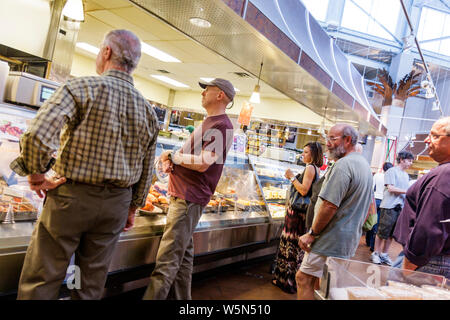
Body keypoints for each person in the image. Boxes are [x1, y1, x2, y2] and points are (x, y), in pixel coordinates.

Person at [9, 30, 159, 299]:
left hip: (71, 199)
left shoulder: (81, 87)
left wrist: (35, 173)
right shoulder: (147, 110)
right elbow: (148, 168)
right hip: (116, 205)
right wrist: (133, 207)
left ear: (106, 53)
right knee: (89, 281)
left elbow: (36, 135)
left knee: (44, 276)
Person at [143, 78, 235, 300]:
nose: (202, 93)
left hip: (188, 200)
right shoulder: (209, 122)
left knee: (166, 261)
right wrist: (171, 160)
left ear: (220, 95)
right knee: (183, 259)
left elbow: (204, 162)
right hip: (182, 196)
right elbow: (189, 156)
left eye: (207, 90)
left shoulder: (222, 125)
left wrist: (173, 156)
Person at [296, 124, 373, 300]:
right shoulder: (363, 164)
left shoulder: (343, 165)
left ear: (347, 140)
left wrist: (312, 233)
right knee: (328, 286)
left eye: (333, 138)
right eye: (327, 138)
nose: (328, 143)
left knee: (307, 280)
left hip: (329, 238)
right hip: (345, 239)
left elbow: (329, 205)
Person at [393, 117, 450, 279]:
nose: (426, 140)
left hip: (428, 262)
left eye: (435, 136)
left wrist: (408, 265)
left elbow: (429, 228)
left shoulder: (444, 175)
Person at [272, 142, 323, 294]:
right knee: (293, 247)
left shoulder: (309, 168)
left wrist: (291, 177)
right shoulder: (315, 168)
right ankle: (289, 280)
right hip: (300, 215)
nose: (303, 155)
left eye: (306, 152)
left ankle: (287, 282)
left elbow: (303, 190)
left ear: (313, 155)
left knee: (290, 247)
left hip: (297, 215)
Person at [372, 151, 414, 266]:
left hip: (400, 208)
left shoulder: (405, 175)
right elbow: (391, 188)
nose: (411, 163)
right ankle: (376, 253)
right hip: (389, 206)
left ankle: (384, 255)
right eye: (409, 160)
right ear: (402, 160)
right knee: (382, 232)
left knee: (391, 234)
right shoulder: (392, 171)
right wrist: (408, 191)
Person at [365, 162, 393, 251]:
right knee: (378, 224)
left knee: (371, 220)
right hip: (384, 201)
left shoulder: (377, 175)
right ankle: (373, 247)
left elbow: (371, 188)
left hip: (375, 200)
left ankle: (368, 241)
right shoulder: (391, 178)